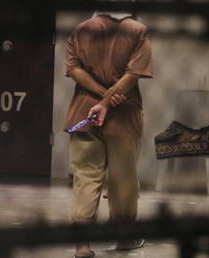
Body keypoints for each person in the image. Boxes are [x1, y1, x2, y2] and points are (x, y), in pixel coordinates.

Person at [65, 10, 153, 258]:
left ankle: (82, 246)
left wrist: (100, 96)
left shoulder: (81, 28)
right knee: (123, 180)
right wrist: (108, 99)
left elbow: (73, 69)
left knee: (85, 178)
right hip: (123, 115)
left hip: (84, 114)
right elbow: (134, 73)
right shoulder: (137, 31)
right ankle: (124, 239)